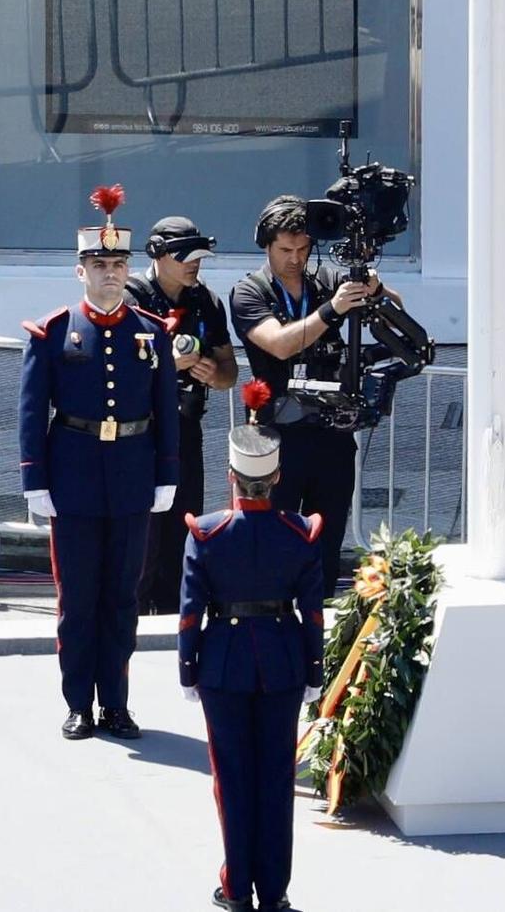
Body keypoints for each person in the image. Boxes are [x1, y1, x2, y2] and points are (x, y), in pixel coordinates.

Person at [19, 185, 179, 741]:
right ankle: (78, 703)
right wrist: (34, 479)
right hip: (75, 479)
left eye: (117, 264)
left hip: (133, 476)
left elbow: (166, 411)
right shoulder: (55, 332)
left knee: (122, 598)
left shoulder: (152, 334)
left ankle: (116, 702)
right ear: (80, 269)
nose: (110, 274)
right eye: (99, 264)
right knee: (78, 599)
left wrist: (167, 473)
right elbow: (32, 409)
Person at [179, 380, 325, 912]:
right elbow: (311, 611)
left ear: (231, 477)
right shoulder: (300, 533)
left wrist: (187, 671)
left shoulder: (207, 534)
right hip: (284, 663)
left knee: (233, 781)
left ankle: (237, 887)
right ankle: (275, 891)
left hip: (223, 664)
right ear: (278, 478)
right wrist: (314, 669)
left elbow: (191, 612)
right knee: (276, 780)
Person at [229, 194, 402, 602]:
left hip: (330, 432)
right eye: (285, 250)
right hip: (276, 437)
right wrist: (331, 310)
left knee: (326, 541)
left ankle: (318, 623)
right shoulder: (248, 292)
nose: (295, 258)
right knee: (274, 543)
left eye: (303, 249)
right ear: (266, 245)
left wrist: (375, 289)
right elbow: (279, 345)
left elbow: (395, 311)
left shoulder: (324, 280)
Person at [126, 215, 237, 615]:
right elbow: (113, 373)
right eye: (185, 257)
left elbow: (229, 371)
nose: (195, 264)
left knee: (182, 527)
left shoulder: (205, 300)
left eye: (199, 257)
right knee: (143, 536)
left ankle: (175, 621)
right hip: (140, 433)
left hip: (186, 429)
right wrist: (166, 365)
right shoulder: (130, 298)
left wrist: (214, 372)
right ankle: (133, 622)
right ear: (158, 255)